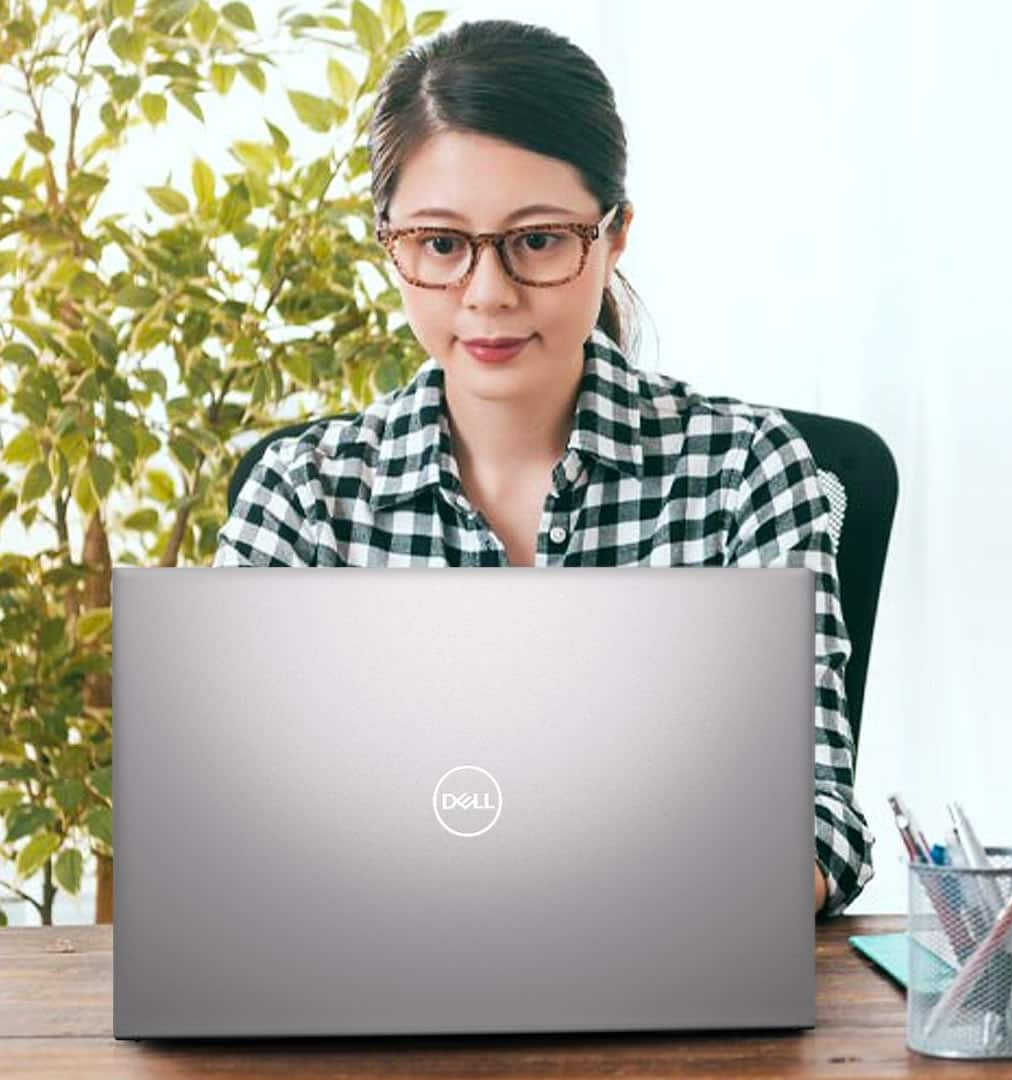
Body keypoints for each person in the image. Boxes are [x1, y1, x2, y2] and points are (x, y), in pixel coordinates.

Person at [215, 19, 874, 916]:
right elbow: (230, 833)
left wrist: (672, 912)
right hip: (375, 987)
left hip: (671, 981)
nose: (487, 294)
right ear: (391, 244)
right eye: (441, 244)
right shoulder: (302, 496)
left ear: (614, 236)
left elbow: (820, 821)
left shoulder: (746, 473)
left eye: (537, 240)